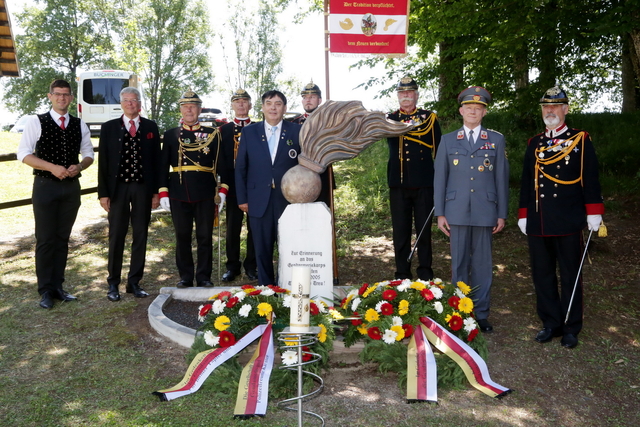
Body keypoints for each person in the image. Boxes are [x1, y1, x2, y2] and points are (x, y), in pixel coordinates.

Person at [518, 86, 604, 349]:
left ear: (565, 109)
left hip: (568, 220)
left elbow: (590, 177)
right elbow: (525, 182)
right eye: (546, 107)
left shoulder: (580, 139)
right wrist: (523, 214)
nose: (550, 111)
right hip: (539, 219)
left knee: (570, 275)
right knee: (542, 274)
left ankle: (571, 326)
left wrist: (594, 212)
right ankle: (551, 322)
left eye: (555, 107)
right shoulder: (535, 143)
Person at [434, 86, 509, 333]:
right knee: (458, 264)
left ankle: (481, 313)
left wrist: (502, 213)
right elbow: (440, 179)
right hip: (455, 210)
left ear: (484, 113)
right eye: (469, 108)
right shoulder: (447, 140)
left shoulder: (496, 140)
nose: (473, 112)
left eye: (478, 109)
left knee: (482, 264)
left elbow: (501, 177)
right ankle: (459, 312)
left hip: (485, 210)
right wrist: (440, 213)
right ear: (461, 111)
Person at [17, 79, 94, 309]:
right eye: (58, 94)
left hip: (71, 189)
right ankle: (45, 291)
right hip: (45, 186)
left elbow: (89, 153)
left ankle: (58, 286)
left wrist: (79, 167)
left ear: (71, 98)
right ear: (50, 96)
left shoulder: (80, 124)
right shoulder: (36, 121)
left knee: (62, 239)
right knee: (45, 239)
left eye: (66, 94)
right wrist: (52, 167)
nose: (62, 98)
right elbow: (23, 154)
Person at [97, 87, 162, 301]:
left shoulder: (151, 127)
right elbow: (103, 162)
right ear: (121, 103)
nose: (130, 104)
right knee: (117, 234)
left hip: (143, 188)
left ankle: (134, 281)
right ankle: (113, 283)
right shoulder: (108, 128)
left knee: (140, 234)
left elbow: (157, 164)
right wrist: (103, 193)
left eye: (134, 100)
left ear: (139, 103)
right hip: (118, 189)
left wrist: (156, 192)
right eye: (126, 100)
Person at [159, 89, 228, 288]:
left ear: (199, 109)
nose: (189, 110)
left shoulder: (212, 134)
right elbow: (162, 165)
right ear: (180, 109)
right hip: (179, 191)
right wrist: (163, 191)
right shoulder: (171, 134)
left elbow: (222, 165)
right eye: (185, 106)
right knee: (182, 236)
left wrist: (222, 192)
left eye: (193, 106)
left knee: (205, 236)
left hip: (206, 191)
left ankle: (204, 276)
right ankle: (186, 276)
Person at [235, 90, 301, 286]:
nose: (273, 107)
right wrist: (242, 199)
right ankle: (267, 289)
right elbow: (240, 168)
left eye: (278, 103)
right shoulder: (249, 132)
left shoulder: (296, 131)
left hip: (288, 199)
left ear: (285, 108)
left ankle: (288, 285)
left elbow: (303, 165)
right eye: (269, 103)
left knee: (288, 245)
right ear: (262, 107)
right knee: (261, 248)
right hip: (258, 199)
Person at [386, 76, 442, 281]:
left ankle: (425, 272)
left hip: (424, 183)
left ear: (416, 95)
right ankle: (402, 272)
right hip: (398, 184)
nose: (406, 96)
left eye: (410, 93)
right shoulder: (389, 119)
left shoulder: (429, 119)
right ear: (398, 96)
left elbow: (439, 151)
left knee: (424, 231)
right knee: (400, 231)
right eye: (402, 93)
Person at [219, 89, 257, 282]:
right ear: (232, 105)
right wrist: (222, 187)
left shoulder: (259, 128)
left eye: (245, 101)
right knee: (232, 228)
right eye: (237, 102)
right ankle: (232, 266)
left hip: (254, 186)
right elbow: (221, 161)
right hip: (232, 186)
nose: (241, 105)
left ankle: (252, 265)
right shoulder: (223, 131)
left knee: (255, 227)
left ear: (250, 105)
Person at [291, 81, 334, 206]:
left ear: (320, 100)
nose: (308, 100)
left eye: (312, 97)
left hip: (322, 174)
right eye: (305, 97)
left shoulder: (328, 121)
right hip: (298, 175)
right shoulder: (294, 123)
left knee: (323, 211)